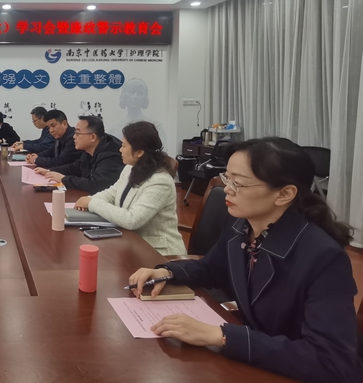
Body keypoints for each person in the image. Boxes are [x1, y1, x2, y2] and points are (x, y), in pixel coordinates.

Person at [128, 137, 361, 383]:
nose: (227, 189)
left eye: (238, 183)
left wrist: (222, 336)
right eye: (227, 178)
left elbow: (330, 361)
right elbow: (213, 268)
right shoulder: (241, 223)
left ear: (284, 193)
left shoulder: (324, 258)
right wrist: (168, 272)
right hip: (256, 363)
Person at [74, 121, 185, 255]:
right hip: (131, 242)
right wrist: (89, 199)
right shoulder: (130, 168)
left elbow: (132, 220)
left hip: (159, 253)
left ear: (139, 152)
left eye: (123, 146)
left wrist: (92, 203)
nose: (120, 150)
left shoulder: (160, 181)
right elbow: (112, 193)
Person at [34, 116, 123, 194]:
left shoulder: (111, 155)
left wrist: (63, 179)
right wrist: (50, 171)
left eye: (78, 133)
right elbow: (77, 166)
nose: (74, 137)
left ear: (92, 137)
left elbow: (95, 184)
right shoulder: (90, 150)